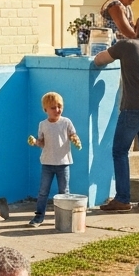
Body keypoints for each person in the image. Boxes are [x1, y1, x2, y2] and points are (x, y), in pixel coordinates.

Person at [94, 14, 139, 213]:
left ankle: (123, 198)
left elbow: (100, 59)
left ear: (136, 28)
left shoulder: (127, 46)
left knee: (120, 150)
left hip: (132, 107)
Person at [27, 92, 80, 226]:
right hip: (47, 163)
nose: (57, 110)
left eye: (59, 106)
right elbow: (42, 142)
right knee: (43, 192)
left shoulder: (66, 122)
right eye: (53, 107)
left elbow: (73, 135)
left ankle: (65, 218)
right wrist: (35, 142)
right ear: (45, 109)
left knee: (64, 192)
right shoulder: (43, 124)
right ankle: (39, 217)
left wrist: (75, 140)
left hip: (64, 163)